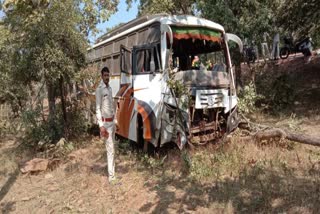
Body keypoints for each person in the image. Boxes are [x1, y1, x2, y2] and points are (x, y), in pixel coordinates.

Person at [95, 66, 116, 183]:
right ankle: (111, 177)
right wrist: (101, 126)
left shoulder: (110, 89)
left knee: (113, 149)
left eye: (108, 75)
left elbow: (112, 107)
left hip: (112, 123)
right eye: (105, 75)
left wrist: (115, 121)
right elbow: (97, 108)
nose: (107, 77)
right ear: (102, 76)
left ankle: (113, 173)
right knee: (110, 149)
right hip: (106, 125)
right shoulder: (99, 89)